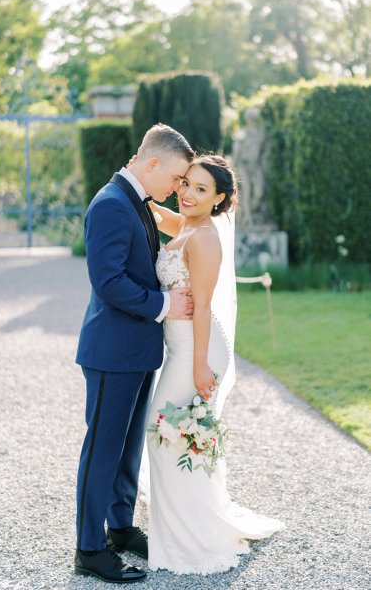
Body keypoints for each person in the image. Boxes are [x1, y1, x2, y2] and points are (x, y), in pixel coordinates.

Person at [146, 154, 286, 575]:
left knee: (165, 435)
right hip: (183, 348)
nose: (188, 193)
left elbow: (203, 306)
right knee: (173, 439)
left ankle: (194, 535)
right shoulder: (187, 224)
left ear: (219, 198)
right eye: (186, 183)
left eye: (201, 189)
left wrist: (200, 368)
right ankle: (182, 526)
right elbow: (163, 217)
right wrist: (139, 186)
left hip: (196, 352)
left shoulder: (205, 238)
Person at [74, 124, 195, 584]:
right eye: (177, 177)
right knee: (102, 451)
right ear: (151, 164)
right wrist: (165, 305)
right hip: (111, 352)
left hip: (139, 351)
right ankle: (89, 548)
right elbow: (107, 282)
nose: (177, 188)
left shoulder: (137, 201)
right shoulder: (109, 204)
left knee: (127, 452)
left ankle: (121, 528)